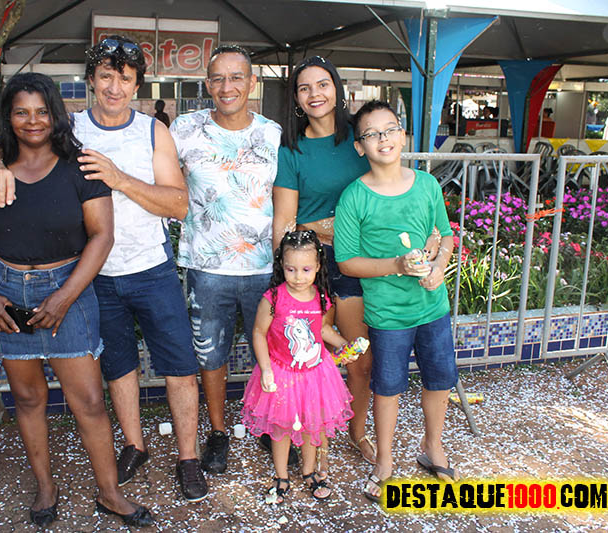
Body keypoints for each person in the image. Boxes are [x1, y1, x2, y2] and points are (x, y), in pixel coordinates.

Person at [0, 35, 208, 503]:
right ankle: (134, 446)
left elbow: (179, 204)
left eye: (125, 78)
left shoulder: (153, 132)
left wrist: (119, 178)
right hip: (92, 273)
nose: (114, 87)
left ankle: (188, 457)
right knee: (118, 367)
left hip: (150, 266)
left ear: (137, 84)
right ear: (91, 81)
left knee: (180, 365)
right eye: (105, 76)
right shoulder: (69, 126)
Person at [0, 72, 152, 527]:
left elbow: (102, 236)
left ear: (57, 115)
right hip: (3, 291)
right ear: (8, 117)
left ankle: (109, 493)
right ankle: (46, 487)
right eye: (21, 112)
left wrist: (64, 297)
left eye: (42, 111)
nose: (33, 121)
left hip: (69, 288)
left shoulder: (79, 167)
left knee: (90, 401)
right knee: (27, 398)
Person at [272, 56, 440, 474]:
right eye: (305, 88)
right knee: (357, 357)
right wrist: (288, 282)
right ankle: (344, 428)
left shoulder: (363, 133)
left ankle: (361, 429)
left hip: (391, 261)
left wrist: (434, 243)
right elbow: (287, 222)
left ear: (337, 88)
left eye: (323, 84)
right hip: (332, 264)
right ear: (296, 98)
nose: (315, 94)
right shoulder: (293, 149)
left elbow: (398, 185)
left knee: (384, 354)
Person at [333, 100, 459, 503]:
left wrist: (439, 264)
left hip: (433, 307)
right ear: (360, 146)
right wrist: (398, 266)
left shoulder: (427, 185)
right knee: (387, 387)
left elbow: (446, 235)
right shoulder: (354, 197)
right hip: (387, 314)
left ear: (403, 135)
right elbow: (347, 262)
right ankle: (385, 459)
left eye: (389, 129)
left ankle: (433, 446)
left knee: (439, 379)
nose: (383, 139)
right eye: (371, 134)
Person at [169, 44, 282, 474]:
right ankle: (218, 431)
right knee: (210, 355)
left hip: (264, 268)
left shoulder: (273, 133)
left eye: (236, 77)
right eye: (218, 78)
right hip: (206, 267)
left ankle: (268, 425)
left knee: (269, 352)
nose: (227, 86)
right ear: (207, 84)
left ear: (252, 83)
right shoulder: (184, 129)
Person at [241, 229, 355, 503]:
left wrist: (344, 345)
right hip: (281, 373)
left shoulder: (321, 296)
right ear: (282, 265)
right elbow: (258, 332)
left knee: (311, 426)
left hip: (314, 376)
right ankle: (281, 476)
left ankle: (308, 471)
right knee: (281, 430)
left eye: (306, 270)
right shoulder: (273, 298)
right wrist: (265, 368)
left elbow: (322, 330)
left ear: (318, 266)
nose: (298, 277)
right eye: (291, 269)